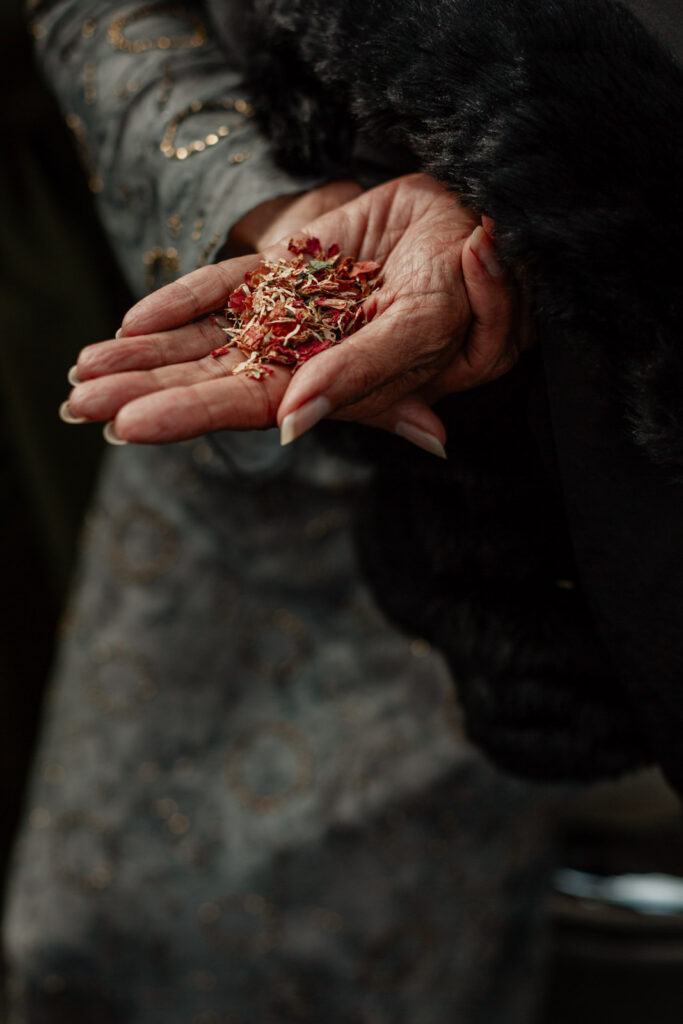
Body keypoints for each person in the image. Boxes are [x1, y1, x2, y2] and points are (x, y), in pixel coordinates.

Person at [3, 3, 563, 1023]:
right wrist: (270, 208)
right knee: (90, 935)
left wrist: (533, 213)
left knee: (400, 957)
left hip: (526, 495)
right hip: (235, 474)